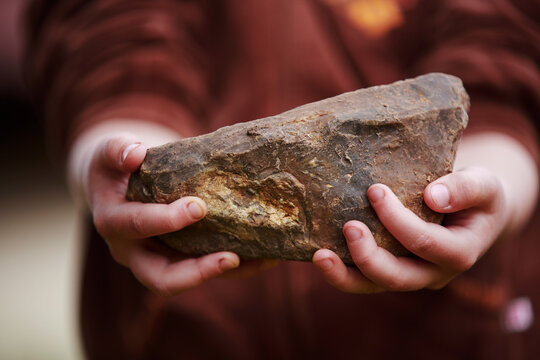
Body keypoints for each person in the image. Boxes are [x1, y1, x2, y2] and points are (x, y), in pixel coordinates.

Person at [26, 0, 540, 358]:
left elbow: (505, 50)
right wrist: (121, 143)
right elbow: (110, 29)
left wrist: (496, 176)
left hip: (448, 330)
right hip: (182, 331)